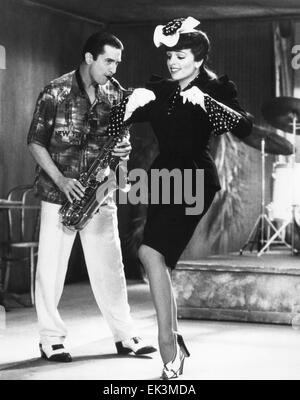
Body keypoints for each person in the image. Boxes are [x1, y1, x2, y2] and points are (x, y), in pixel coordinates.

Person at [125, 17, 253, 379]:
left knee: (150, 252)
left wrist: (209, 103)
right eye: (169, 55)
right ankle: (174, 345)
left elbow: (244, 127)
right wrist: (130, 104)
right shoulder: (162, 90)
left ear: (198, 59)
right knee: (157, 259)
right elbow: (118, 119)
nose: (172, 61)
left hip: (195, 177)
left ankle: (168, 342)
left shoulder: (215, 88)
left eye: (180, 55)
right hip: (164, 176)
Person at [27, 31, 157, 362]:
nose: (114, 68)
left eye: (117, 62)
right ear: (90, 58)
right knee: (51, 269)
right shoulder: (55, 91)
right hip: (59, 194)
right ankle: (50, 338)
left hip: (100, 192)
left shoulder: (117, 94)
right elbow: (36, 141)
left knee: (111, 269)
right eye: (108, 61)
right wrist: (61, 180)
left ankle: (125, 335)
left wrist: (124, 151)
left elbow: (121, 144)